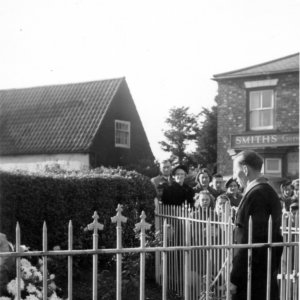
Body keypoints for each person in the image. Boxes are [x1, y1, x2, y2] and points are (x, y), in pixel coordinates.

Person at [230, 150, 283, 300]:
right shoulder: (268, 191)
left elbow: (249, 241)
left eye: (235, 171)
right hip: (264, 274)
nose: (234, 177)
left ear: (245, 170)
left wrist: (236, 278)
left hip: (252, 280)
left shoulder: (256, 194)